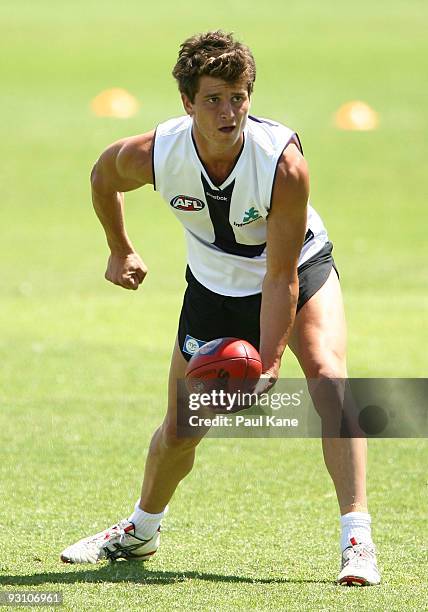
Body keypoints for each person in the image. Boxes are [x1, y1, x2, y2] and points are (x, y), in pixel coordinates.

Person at [60, 31, 380, 586]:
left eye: (238, 96)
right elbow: (100, 177)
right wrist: (120, 248)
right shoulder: (156, 154)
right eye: (213, 98)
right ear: (187, 102)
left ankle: (357, 539)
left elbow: (279, 275)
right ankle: (140, 531)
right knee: (182, 428)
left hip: (294, 268)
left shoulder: (282, 165)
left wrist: (272, 365)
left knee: (328, 378)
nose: (229, 111)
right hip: (212, 287)